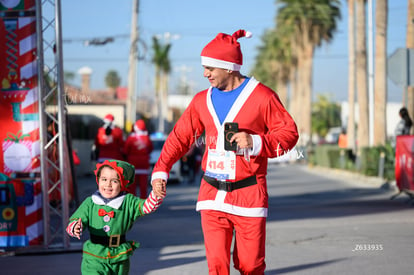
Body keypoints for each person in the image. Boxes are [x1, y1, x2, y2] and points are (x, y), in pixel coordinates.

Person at [151, 30, 299, 275]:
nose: (205, 73)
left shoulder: (263, 96)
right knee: (217, 267)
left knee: (251, 266)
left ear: (229, 67)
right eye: (204, 67)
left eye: (210, 67)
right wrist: (161, 170)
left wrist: (255, 142)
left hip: (249, 194)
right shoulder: (201, 100)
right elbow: (179, 137)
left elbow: (289, 134)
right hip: (211, 194)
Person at [66, 159, 163, 275]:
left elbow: (148, 206)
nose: (108, 185)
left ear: (122, 183)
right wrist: (75, 226)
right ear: (98, 180)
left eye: (114, 181)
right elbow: (76, 219)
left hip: (119, 256)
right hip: (94, 255)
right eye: (104, 179)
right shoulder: (90, 202)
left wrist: (156, 194)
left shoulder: (128, 201)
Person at [124, 119, 153, 198]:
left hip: (133, 164)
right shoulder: (147, 138)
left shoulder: (131, 138)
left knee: (132, 186)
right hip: (144, 164)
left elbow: (126, 150)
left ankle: (133, 203)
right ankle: (142, 203)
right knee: (143, 186)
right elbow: (150, 149)